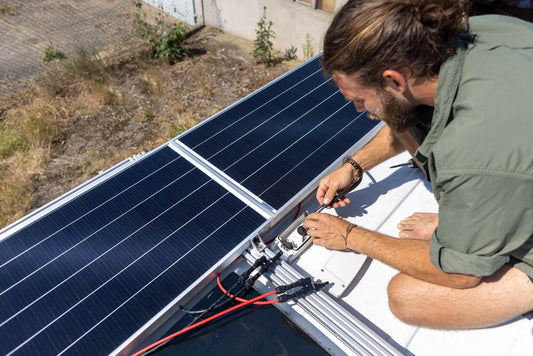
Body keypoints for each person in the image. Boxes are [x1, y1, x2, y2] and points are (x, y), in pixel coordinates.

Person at [302, 0, 533, 329]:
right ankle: (473, 225)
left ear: (395, 80)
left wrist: (351, 235)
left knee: (407, 296)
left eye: (359, 99)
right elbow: (409, 119)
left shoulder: (471, 153)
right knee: (406, 114)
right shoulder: (484, 30)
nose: (358, 110)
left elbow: (459, 274)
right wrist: (354, 166)